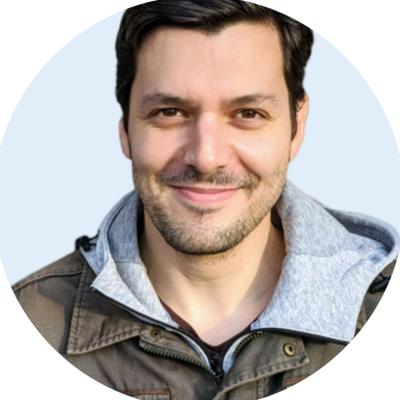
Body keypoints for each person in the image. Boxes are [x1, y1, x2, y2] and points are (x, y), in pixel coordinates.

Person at [12, 1, 399, 399]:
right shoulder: (24, 330)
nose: (206, 157)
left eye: (248, 113)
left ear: (296, 127)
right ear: (125, 130)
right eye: (169, 112)